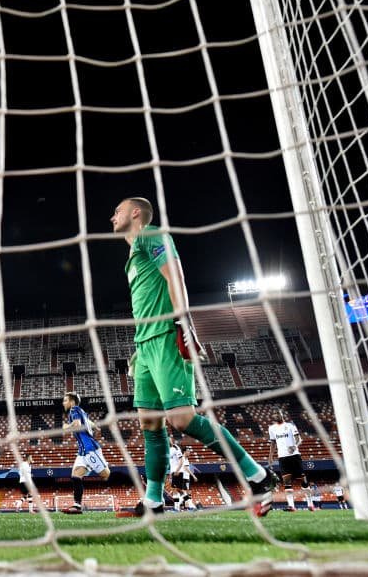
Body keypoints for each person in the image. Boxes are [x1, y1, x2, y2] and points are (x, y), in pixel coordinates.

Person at [111, 197, 278, 517]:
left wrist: (182, 320)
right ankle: (154, 502)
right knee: (149, 422)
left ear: (135, 214)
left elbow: (176, 276)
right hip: (144, 345)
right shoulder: (133, 255)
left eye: (118, 211)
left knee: (182, 419)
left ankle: (257, 477)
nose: (112, 216)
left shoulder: (151, 235)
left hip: (165, 338)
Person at [59, 391, 111, 514]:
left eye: (65, 400)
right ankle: (77, 506)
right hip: (83, 450)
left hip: (89, 449)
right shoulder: (82, 411)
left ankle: (136, 478)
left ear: (72, 402)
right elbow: (90, 424)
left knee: (106, 475)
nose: (63, 402)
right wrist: (95, 427)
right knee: (75, 475)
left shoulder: (74, 410)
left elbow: (76, 424)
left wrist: (66, 427)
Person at [268, 410, 307, 511]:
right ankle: (291, 506)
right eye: (274, 414)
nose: (275, 415)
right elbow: (273, 443)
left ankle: (310, 504)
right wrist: (270, 456)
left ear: (281, 414)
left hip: (294, 455)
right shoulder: (272, 428)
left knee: (304, 481)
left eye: (277, 413)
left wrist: (295, 446)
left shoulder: (290, 425)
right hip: (282, 457)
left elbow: (299, 439)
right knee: (286, 482)